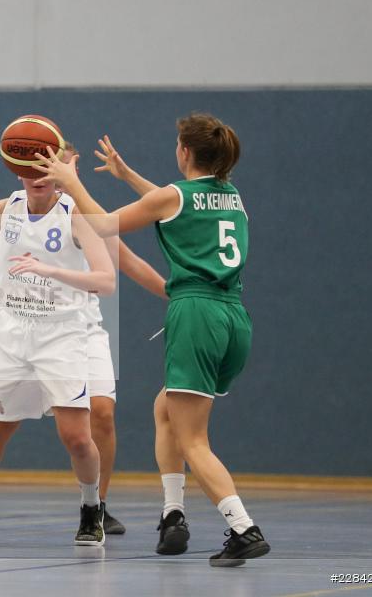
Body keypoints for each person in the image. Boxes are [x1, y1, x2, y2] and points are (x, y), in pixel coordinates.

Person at [33, 113, 270, 566]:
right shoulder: (231, 195)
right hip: (234, 316)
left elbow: (105, 226)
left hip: (196, 312)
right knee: (166, 408)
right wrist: (127, 176)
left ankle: (243, 527)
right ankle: (173, 514)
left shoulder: (176, 195)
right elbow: (171, 205)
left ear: (184, 151)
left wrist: (69, 181)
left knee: (194, 439)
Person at [0, 145, 168, 536]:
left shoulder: (83, 215)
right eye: (34, 163)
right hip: (13, 328)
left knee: (94, 420)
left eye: (55, 163)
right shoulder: (7, 209)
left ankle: (96, 504)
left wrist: (176, 294)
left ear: (71, 167)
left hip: (73, 328)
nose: (44, 170)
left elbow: (123, 269)